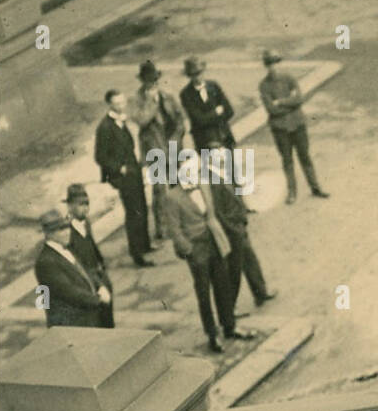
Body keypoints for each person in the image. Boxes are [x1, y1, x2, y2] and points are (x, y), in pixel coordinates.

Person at [165, 175, 255, 353]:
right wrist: (190, 250)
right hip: (197, 248)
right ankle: (212, 334)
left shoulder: (203, 185)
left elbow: (212, 213)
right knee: (204, 293)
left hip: (214, 241)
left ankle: (230, 326)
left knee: (223, 286)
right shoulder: (172, 197)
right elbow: (174, 230)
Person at [204, 149, 277, 312]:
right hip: (232, 230)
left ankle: (260, 292)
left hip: (238, 226)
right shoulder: (213, 181)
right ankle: (230, 308)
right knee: (234, 270)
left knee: (249, 259)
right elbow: (219, 212)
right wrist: (234, 229)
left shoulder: (223, 173)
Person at [259, 49, 329, 203]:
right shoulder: (264, 86)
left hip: (298, 124)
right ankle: (292, 193)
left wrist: (280, 101)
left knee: (305, 156)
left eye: (276, 63)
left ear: (279, 63)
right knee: (287, 160)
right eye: (270, 64)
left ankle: (315, 187)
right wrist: (288, 102)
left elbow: (299, 99)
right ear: (266, 66)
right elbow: (271, 109)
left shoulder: (289, 78)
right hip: (280, 128)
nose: (274, 67)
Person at [93, 90, 154, 267]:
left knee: (141, 208)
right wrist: (118, 168)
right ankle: (137, 254)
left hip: (133, 171)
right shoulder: (105, 127)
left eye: (122, 102)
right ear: (109, 104)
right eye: (117, 103)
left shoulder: (121, 121)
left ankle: (145, 245)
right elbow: (100, 156)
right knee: (134, 213)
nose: (121, 106)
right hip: (123, 176)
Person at [130, 59, 185, 242]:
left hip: (172, 148)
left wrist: (175, 141)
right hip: (154, 150)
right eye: (148, 81)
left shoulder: (168, 96)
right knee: (160, 190)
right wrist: (151, 103)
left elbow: (179, 120)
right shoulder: (137, 100)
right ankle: (162, 228)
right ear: (142, 82)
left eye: (154, 80)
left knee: (176, 185)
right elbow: (142, 120)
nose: (152, 84)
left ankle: (180, 222)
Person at [34, 209, 112, 328]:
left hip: (88, 316)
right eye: (61, 230)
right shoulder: (46, 261)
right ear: (48, 234)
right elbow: (68, 291)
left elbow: (85, 270)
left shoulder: (67, 248)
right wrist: (98, 299)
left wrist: (100, 285)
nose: (67, 232)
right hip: (72, 323)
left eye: (67, 227)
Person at [65, 183, 114, 328]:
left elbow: (91, 244)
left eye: (87, 204)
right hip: (86, 280)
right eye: (80, 204)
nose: (85, 208)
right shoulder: (66, 231)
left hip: (98, 273)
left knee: (108, 314)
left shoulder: (85, 223)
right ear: (69, 206)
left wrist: (101, 263)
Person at [179, 56, 236, 150]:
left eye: (199, 73)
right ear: (189, 76)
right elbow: (199, 120)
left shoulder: (214, 86)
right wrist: (217, 112)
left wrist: (208, 117)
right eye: (193, 75)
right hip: (204, 142)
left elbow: (229, 111)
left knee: (230, 164)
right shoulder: (186, 94)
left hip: (224, 137)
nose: (197, 77)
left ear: (203, 72)